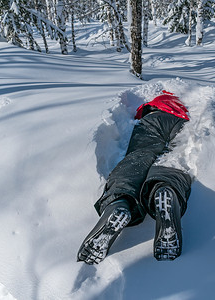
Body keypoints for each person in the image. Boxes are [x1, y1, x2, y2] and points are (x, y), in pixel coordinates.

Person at [77, 91, 193, 264]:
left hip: (152, 122)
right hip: (181, 123)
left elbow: (139, 112)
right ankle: (165, 189)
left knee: (137, 159)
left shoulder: (153, 105)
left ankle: (120, 202)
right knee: (172, 161)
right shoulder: (182, 106)